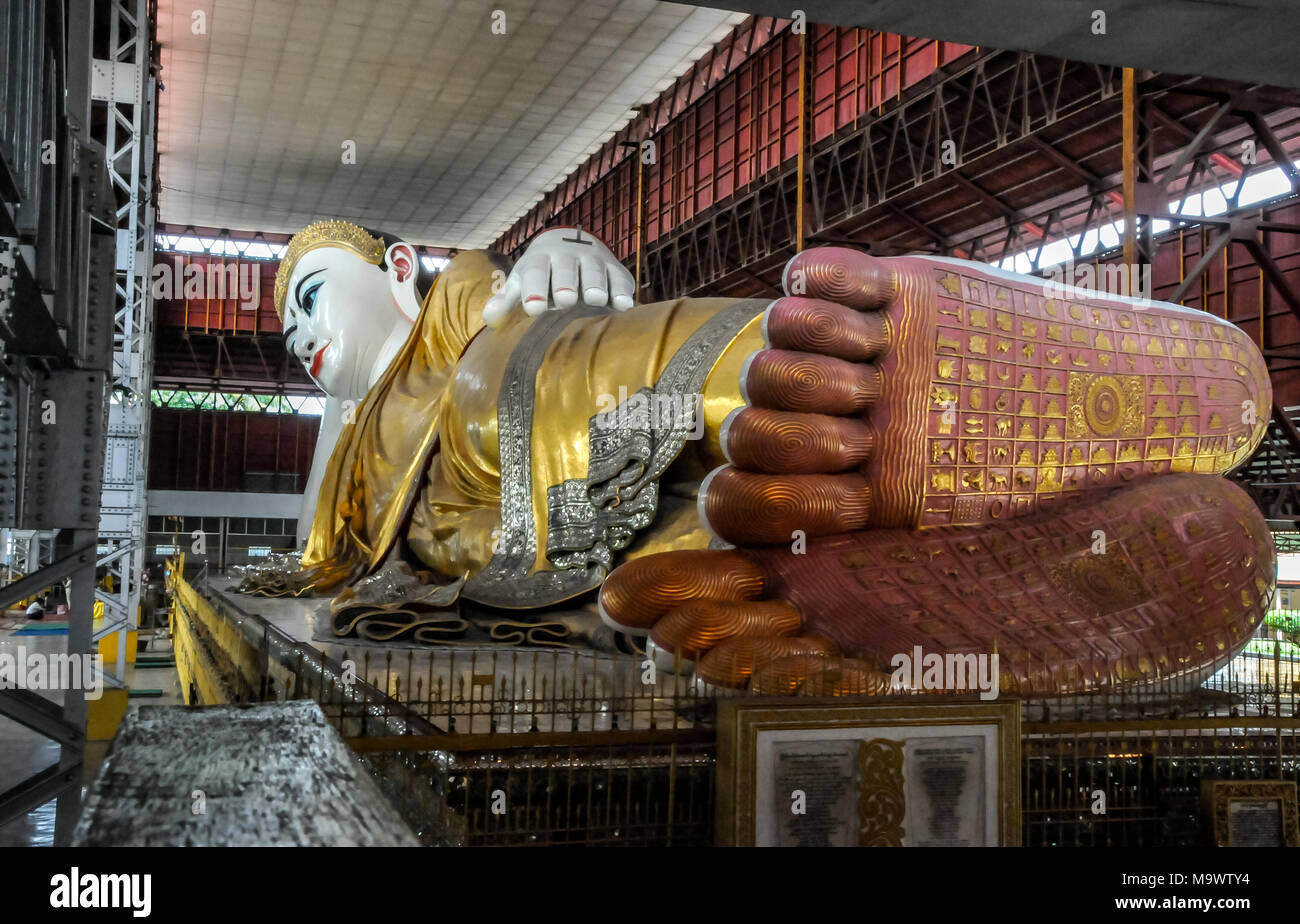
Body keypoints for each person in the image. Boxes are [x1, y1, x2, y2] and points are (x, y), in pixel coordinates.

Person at [274, 221, 1275, 693]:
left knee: (524, 382)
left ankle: (833, 371)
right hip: (505, 552)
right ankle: (873, 564)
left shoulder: (454, 308)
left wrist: (550, 247)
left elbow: (501, 296)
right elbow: (341, 552)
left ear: (396, 266)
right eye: (286, 339)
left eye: (310, 296)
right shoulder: (353, 448)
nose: (299, 337)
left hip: (508, 395)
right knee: (699, 558)